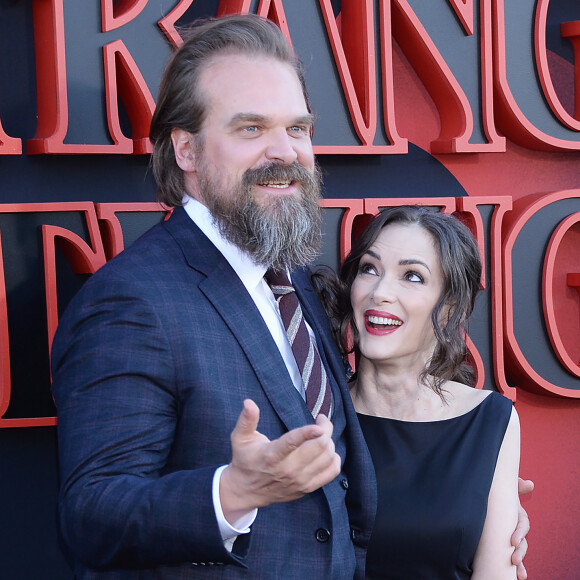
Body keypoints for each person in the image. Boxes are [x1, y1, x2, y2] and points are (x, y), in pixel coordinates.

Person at [50, 14, 530, 580]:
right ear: (186, 149)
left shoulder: (295, 281)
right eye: (251, 129)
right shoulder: (132, 301)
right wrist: (228, 494)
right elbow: (92, 515)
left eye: (297, 129)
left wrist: (473, 508)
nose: (286, 152)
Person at [323, 205, 524, 579]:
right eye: (370, 269)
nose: (381, 292)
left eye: (412, 276)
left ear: (449, 307)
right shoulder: (316, 409)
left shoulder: (489, 420)